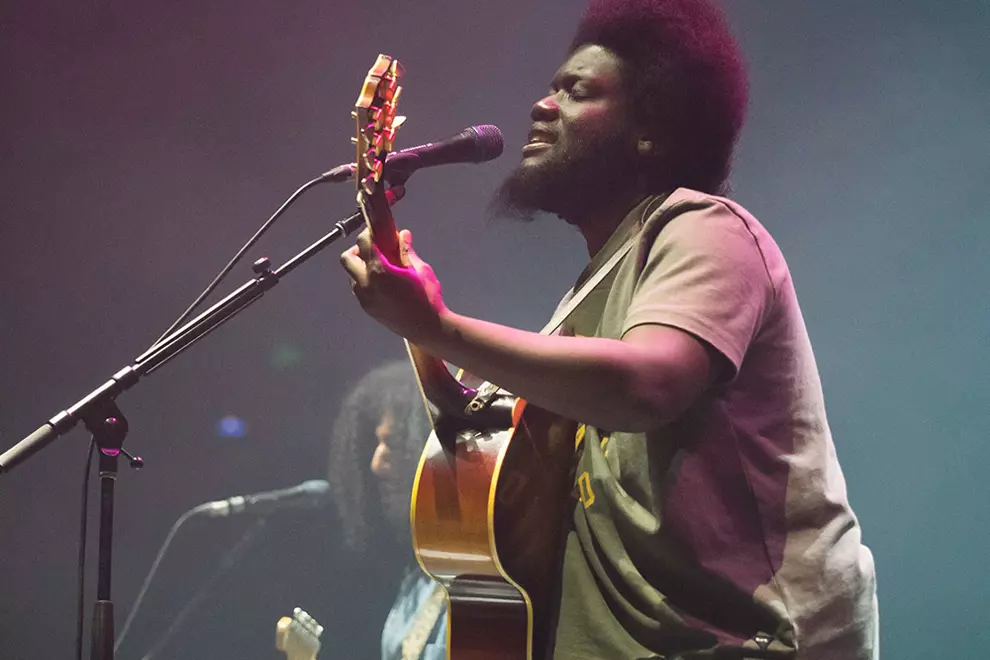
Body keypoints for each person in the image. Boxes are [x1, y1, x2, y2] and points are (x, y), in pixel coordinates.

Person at [339, 0, 879, 657]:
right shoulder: (583, 299)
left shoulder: (706, 228)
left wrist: (439, 326)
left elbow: (646, 388)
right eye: (550, 87)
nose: (542, 105)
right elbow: (482, 454)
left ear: (653, 130)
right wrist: (421, 322)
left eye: (577, 91)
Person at [327, 360, 448, 660]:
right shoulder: (415, 579)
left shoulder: (484, 574)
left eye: (394, 444)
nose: (376, 464)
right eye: (375, 445)